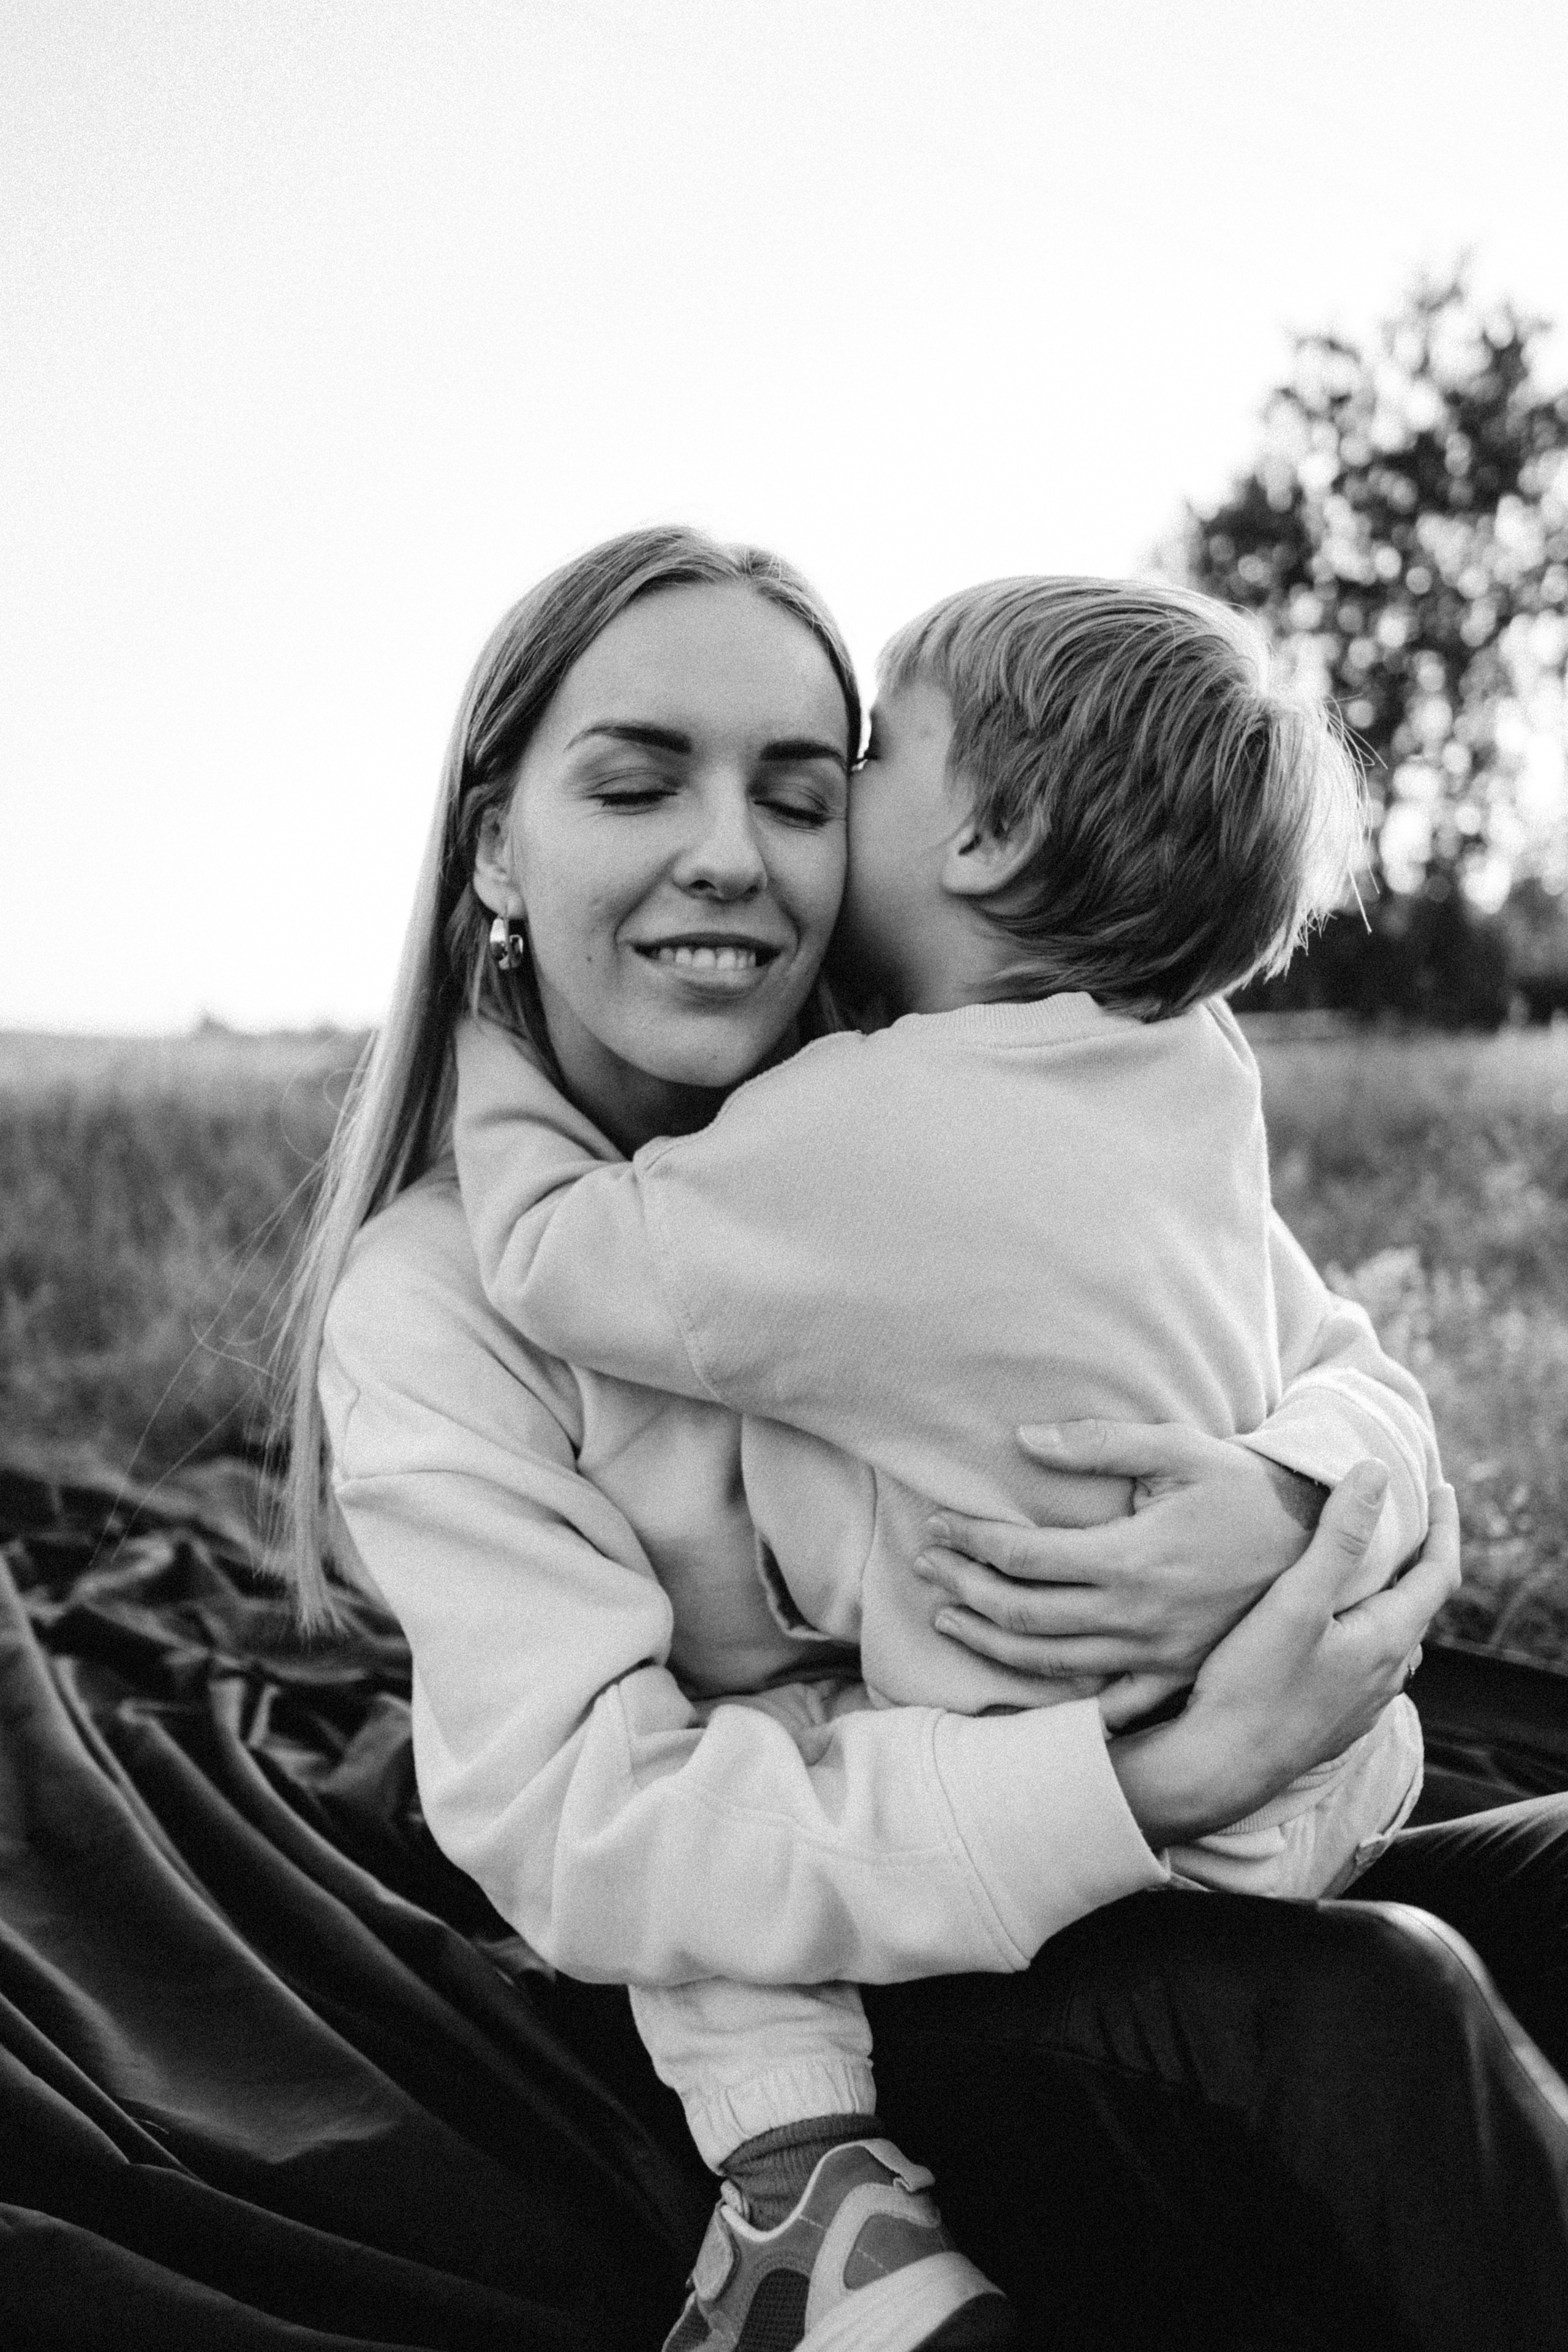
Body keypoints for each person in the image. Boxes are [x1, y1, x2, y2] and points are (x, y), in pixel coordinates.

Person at [284, 526, 1568, 2352]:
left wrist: (1276, 1504)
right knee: (1383, 2012)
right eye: (639, 782)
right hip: (864, 1981)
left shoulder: (966, 1099)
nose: (730, 850)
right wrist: (1145, 1790)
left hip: (1204, 1845)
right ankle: (804, 2236)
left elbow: (1341, 1368)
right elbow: (592, 1830)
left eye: (809, 791)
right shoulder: (439, 1297)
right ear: (494, 839)